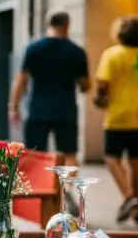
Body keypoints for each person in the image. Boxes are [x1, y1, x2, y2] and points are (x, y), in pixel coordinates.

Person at [9, 10, 90, 168]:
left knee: (35, 154)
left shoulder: (33, 48)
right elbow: (85, 85)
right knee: (69, 153)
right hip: (66, 109)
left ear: (48, 24)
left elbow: (20, 80)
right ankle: (65, 190)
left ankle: (40, 189)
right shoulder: (77, 52)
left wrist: (13, 106)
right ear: (67, 25)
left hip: (38, 109)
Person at [94, 17, 138, 223]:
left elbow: (103, 84)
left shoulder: (113, 54)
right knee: (137, 161)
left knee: (112, 159)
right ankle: (136, 209)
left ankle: (130, 197)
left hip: (119, 114)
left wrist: (100, 99)